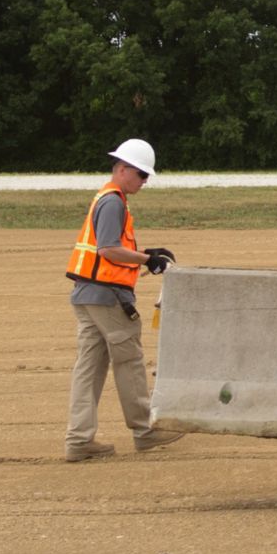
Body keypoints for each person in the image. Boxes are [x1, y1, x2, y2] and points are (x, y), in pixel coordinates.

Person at [64, 138, 180, 461]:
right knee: (129, 360)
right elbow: (108, 250)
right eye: (142, 174)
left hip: (87, 294)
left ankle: (79, 439)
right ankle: (145, 430)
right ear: (123, 169)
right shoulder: (113, 202)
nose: (144, 181)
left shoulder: (107, 198)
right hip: (107, 297)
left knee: (88, 369)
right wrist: (148, 261)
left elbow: (111, 249)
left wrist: (146, 254)